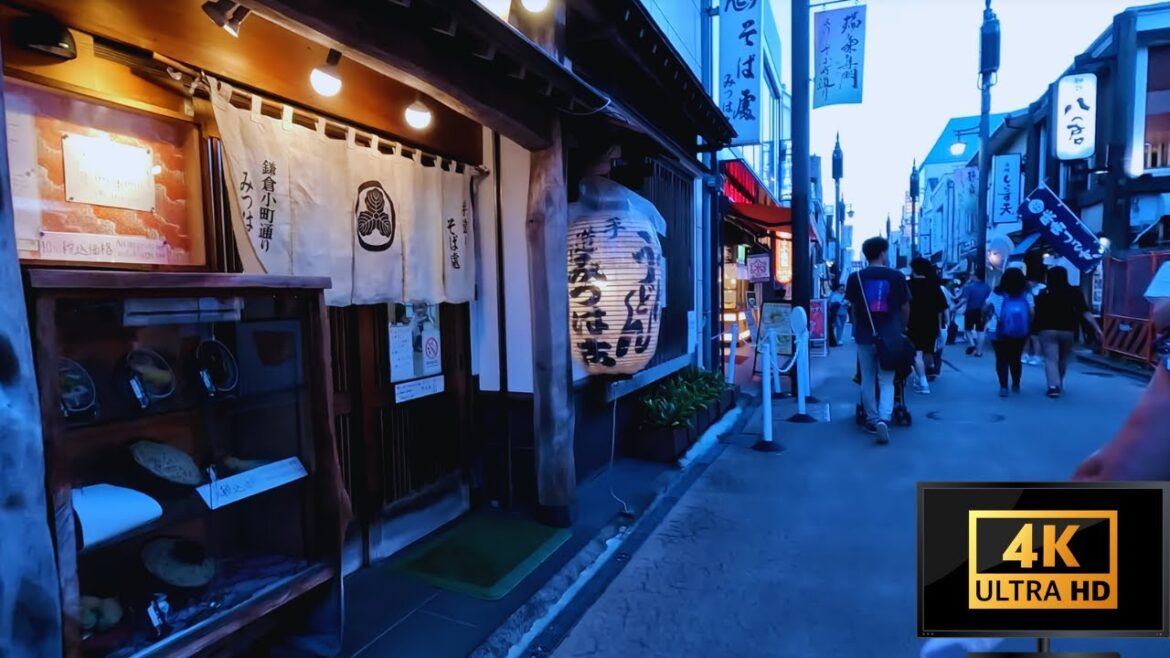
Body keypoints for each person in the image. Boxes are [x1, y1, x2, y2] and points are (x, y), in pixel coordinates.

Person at [845, 236, 911, 445]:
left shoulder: (855, 277)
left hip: (865, 335)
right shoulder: (897, 276)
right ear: (883, 253)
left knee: (867, 377)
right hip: (890, 336)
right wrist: (902, 328)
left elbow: (854, 308)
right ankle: (884, 418)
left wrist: (858, 328)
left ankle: (871, 419)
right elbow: (904, 307)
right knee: (887, 379)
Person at [1033, 265, 1103, 398]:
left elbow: (1037, 314)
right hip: (1068, 330)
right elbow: (1085, 312)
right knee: (1062, 359)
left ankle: (1053, 386)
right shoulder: (1075, 292)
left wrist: (1034, 331)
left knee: (1051, 359)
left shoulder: (1043, 294)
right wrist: (1097, 329)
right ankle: (1059, 382)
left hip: (1047, 330)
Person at [984, 268, 1034, 397]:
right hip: (1020, 330)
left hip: (998, 330)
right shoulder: (1026, 294)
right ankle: (1016, 384)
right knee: (1016, 358)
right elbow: (1032, 312)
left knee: (1001, 358)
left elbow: (986, 308)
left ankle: (1003, 387)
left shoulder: (996, 292)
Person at [906, 258, 949, 394]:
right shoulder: (934, 286)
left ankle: (923, 383)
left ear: (914, 269)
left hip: (912, 324)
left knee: (916, 354)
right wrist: (945, 324)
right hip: (931, 325)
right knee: (927, 351)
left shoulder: (908, 285)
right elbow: (943, 307)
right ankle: (925, 374)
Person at [958, 270, 992, 357]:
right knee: (980, 331)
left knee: (967, 329)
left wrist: (955, 308)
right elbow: (990, 301)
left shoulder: (968, 287)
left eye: (972, 275)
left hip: (970, 311)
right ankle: (979, 352)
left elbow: (964, 300)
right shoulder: (987, 287)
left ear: (975, 276)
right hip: (982, 312)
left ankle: (972, 343)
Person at [1023, 273, 1047, 366]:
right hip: (1027, 314)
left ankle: (1037, 355)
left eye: (1030, 281)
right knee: (1026, 336)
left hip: (1040, 315)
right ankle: (1025, 354)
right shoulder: (1026, 290)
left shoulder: (1044, 289)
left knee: (1035, 336)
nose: (1029, 283)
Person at [828, 282, 846, 347]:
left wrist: (847, 304)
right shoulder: (835, 296)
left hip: (844, 313)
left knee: (842, 326)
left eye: (843, 289)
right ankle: (839, 340)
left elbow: (849, 304)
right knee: (839, 325)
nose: (842, 290)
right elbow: (832, 304)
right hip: (837, 313)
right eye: (841, 289)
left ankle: (840, 338)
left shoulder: (845, 296)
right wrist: (839, 303)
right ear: (838, 289)